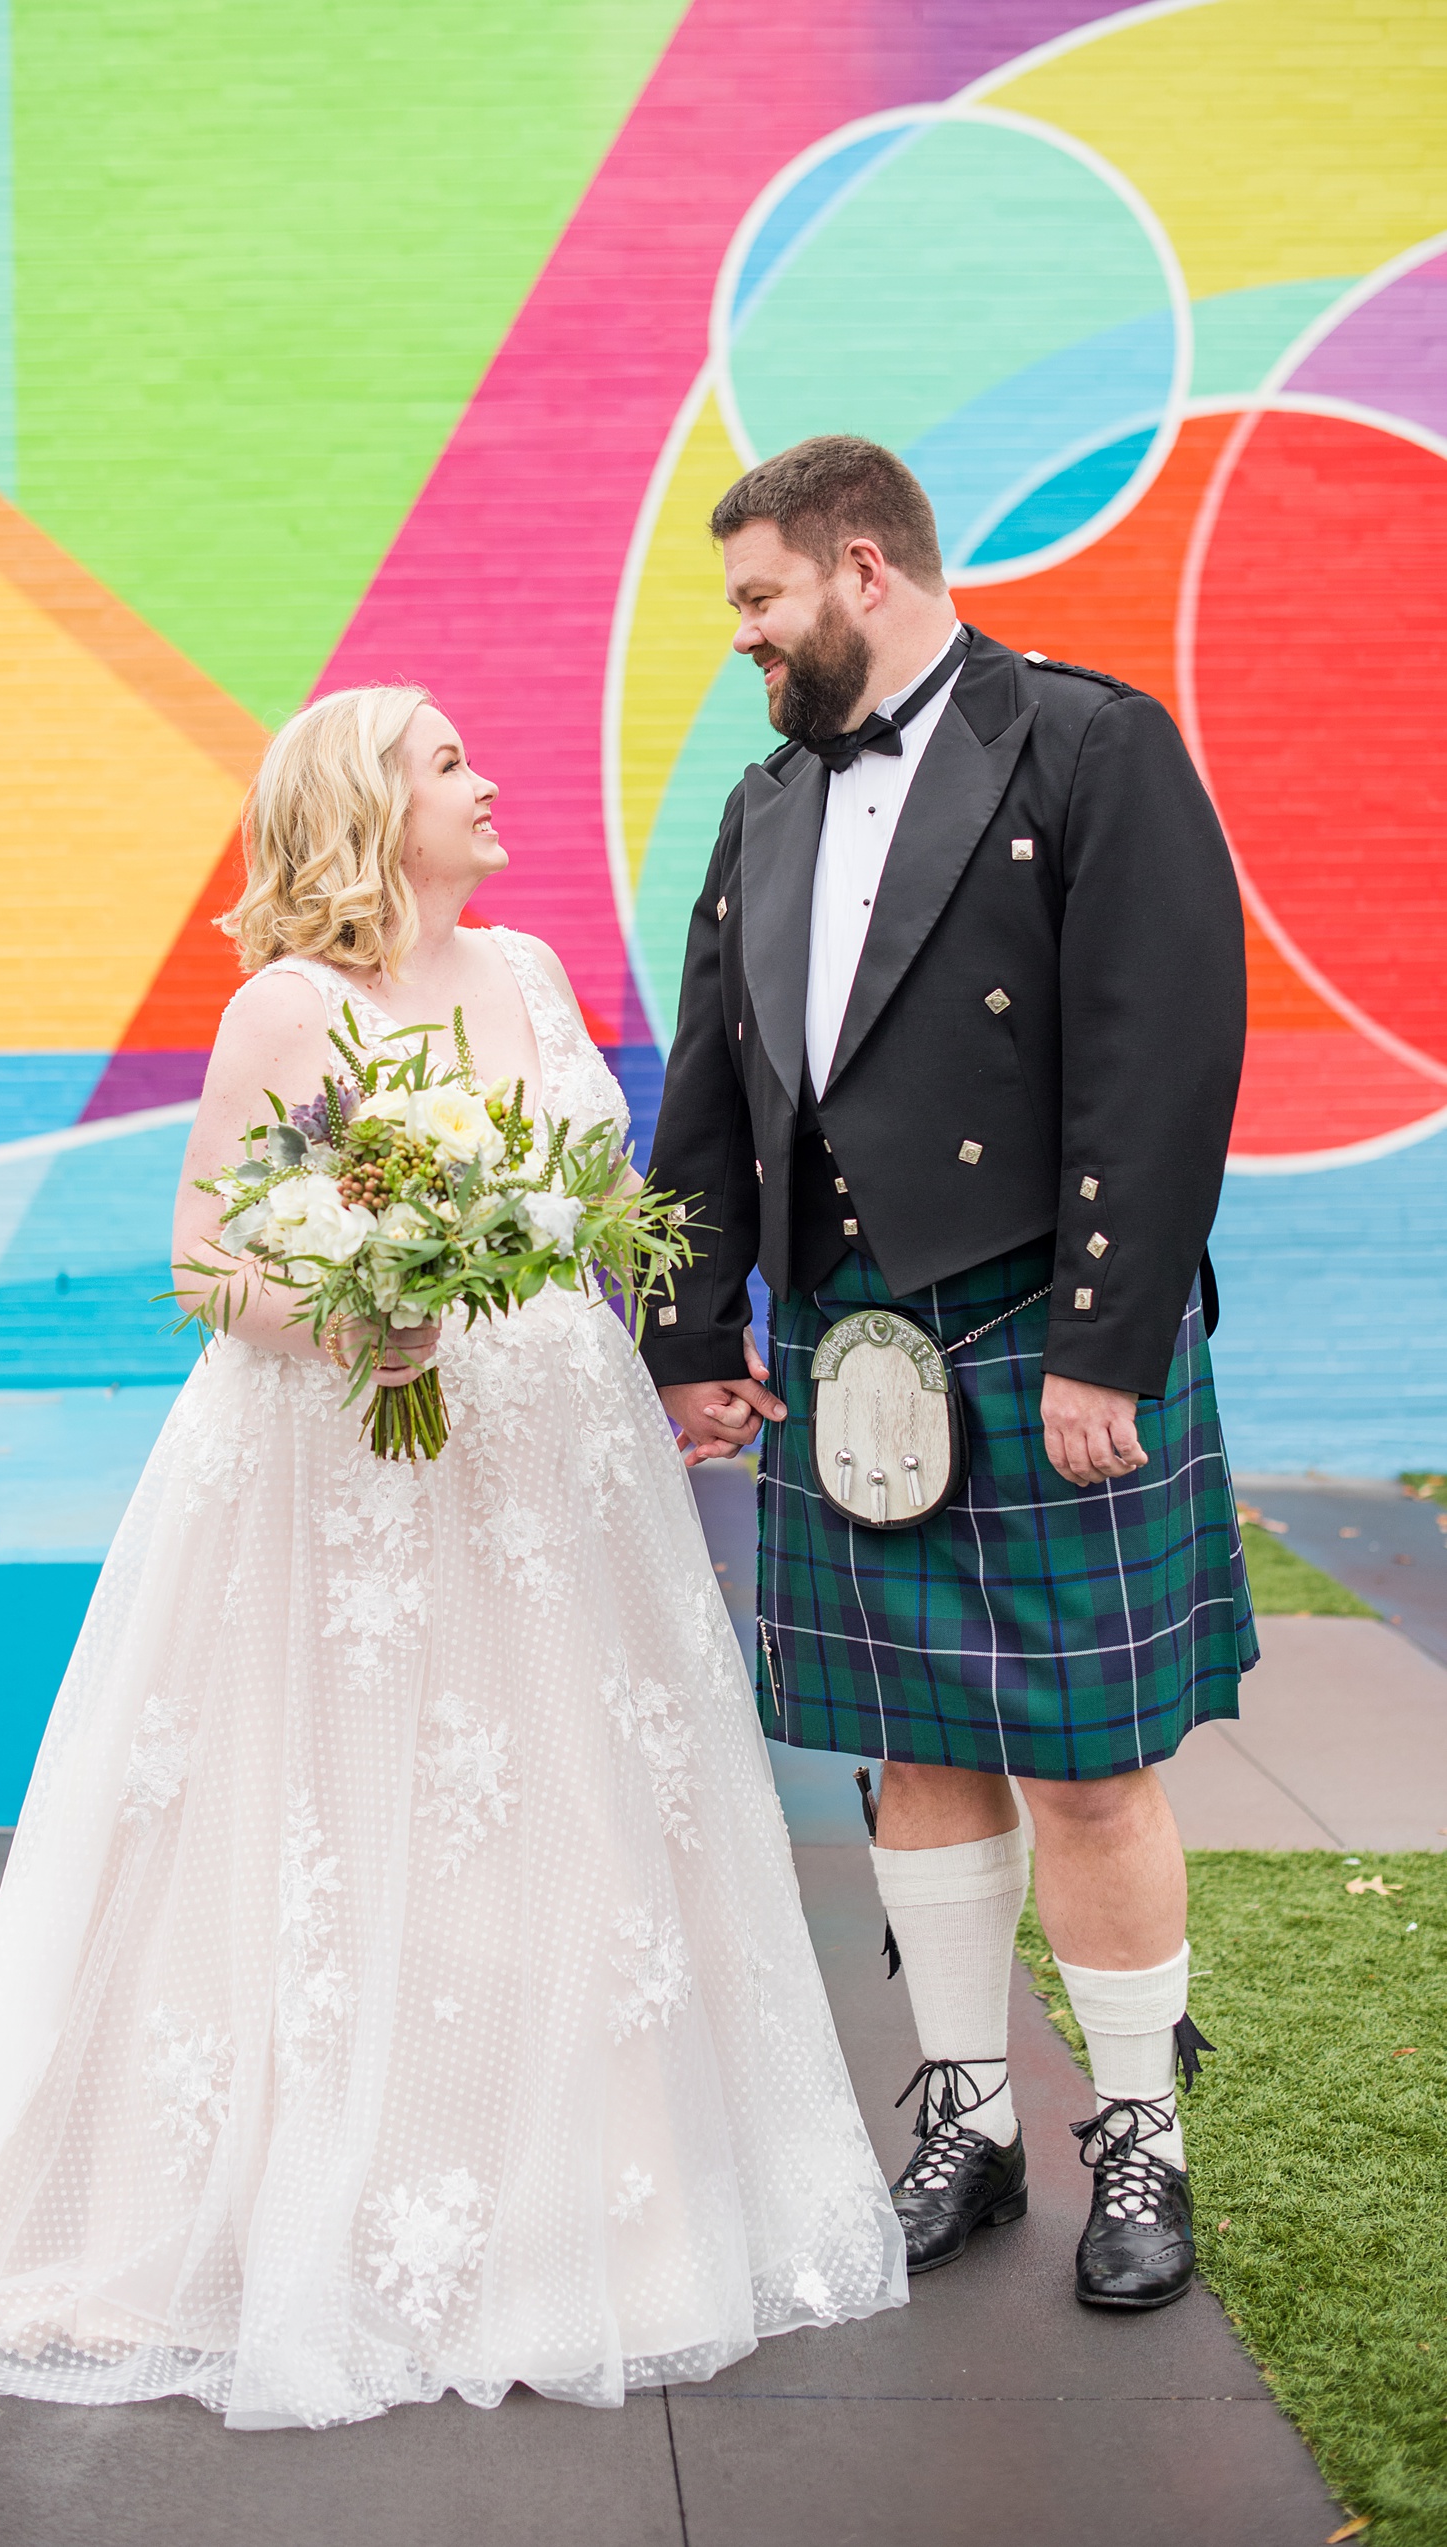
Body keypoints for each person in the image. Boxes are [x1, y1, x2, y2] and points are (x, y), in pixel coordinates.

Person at [0, 685, 904, 2427]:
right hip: (355, 1457)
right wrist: (355, 1316)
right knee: (343, 1798)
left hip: (552, 1459)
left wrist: (663, 1365)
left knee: (568, 1790)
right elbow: (210, 1257)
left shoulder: (522, 974)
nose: (487, 776)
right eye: (451, 761)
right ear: (371, 809)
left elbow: (600, 1202)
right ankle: (316, 2189)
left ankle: (588, 2195)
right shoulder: (288, 1010)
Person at [641, 437, 1255, 2311]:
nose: (745, 638)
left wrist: (1106, 1338)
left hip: (1030, 1327)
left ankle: (1136, 2136)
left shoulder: (1084, 744)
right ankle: (966, 2120)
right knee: (915, 1751)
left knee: (1086, 1766)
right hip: (852, 1343)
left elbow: (1164, 1057)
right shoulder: (763, 808)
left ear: (862, 568)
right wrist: (693, 1332)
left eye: (760, 601)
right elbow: (716, 1088)